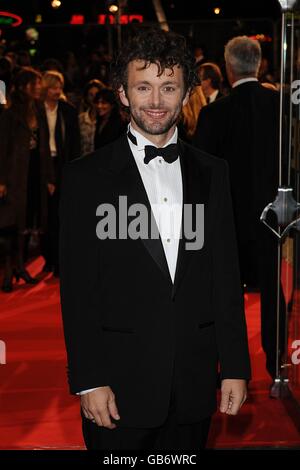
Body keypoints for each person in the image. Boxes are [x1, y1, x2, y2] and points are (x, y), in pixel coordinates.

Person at [59, 28, 250, 451]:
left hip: (194, 382)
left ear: (186, 94)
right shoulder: (85, 179)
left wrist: (235, 365)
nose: (156, 101)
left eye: (168, 87)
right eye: (143, 87)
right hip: (118, 388)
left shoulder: (212, 172)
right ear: (123, 94)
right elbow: (78, 291)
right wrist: (89, 379)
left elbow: (225, 275)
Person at [193, 36, 284, 382]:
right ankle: (278, 367)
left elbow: (200, 170)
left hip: (227, 220)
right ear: (259, 65)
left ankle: (228, 368)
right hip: (276, 217)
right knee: (276, 293)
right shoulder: (280, 106)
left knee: (225, 297)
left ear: (229, 69)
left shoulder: (214, 113)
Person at [0, 67, 55, 292]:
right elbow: (2, 149)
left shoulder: (38, 109)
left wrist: (49, 177)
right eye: (35, 83)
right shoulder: (9, 113)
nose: (39, 86)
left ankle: (20, 266)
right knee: (8, 226)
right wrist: (1, 180)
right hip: (14, 176)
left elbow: (44, 145)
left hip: (34, 172)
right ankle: (8, 271)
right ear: (24, 86)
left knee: (25, 222)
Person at [40, 70, 80, 276]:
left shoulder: (68, 112)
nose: (57, 91)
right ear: (45, 89)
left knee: (61, 215)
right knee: (43, 215)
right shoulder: (36, 111)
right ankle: (47, 257)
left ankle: (59, 260)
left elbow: (75, 145)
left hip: (63, 165)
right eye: (53, 87)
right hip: (41, 166)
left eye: (59, 88)